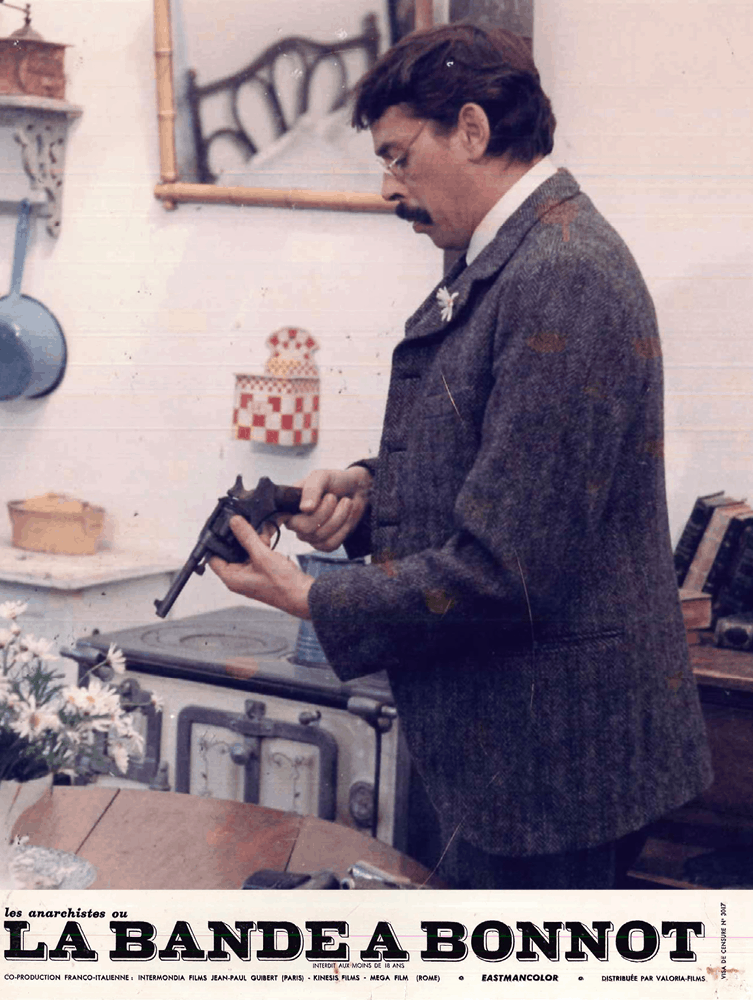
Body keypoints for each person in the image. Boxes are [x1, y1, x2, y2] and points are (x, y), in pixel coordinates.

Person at [210, 23, 713, 889]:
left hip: (551, 776)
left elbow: (507, 569)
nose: (388, 187)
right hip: (518, 758)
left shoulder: (563, 273)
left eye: (399, 157)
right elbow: (508, 466)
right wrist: (369, 495)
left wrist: (312, 596)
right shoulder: (517, 259)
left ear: (472, 130)